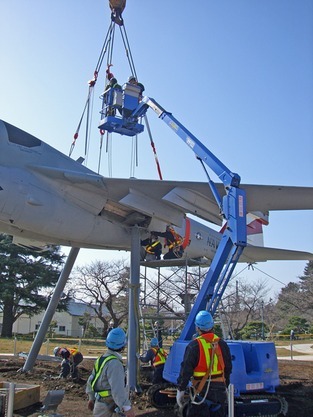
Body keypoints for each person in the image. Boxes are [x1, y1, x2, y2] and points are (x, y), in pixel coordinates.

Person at [176, 311, 232, 417]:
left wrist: (181, 389)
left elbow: (186, 370)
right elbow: (228, 368)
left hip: (201, 392)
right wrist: (226, 386)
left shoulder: (194, 346)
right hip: (219, 392)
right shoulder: (222, 344)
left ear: (197, 327)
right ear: (212, 325)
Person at [86, 328, 135, 417]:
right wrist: (127, 407)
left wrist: (91, 397)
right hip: (109, 404)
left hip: (100, 403)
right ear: (123, 345)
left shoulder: (101, 359)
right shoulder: (115, 363)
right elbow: (117, 389)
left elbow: (91, 380)